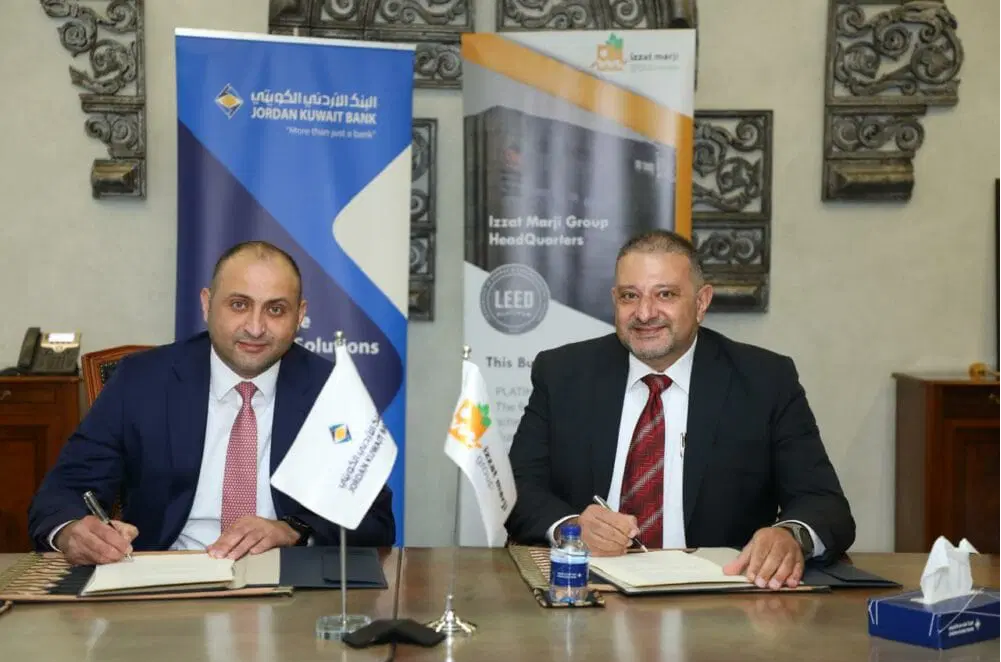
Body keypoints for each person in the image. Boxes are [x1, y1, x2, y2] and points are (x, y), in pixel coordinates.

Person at [505, 230, 855, 590]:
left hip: (719, 597)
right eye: (630, 296)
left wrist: (790, 536)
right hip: (588, 588)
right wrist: (571, 527)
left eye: (665, 295)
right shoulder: (563, 374)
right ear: (614, 300)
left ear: (702, 302)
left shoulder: (765, 381)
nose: (644, 313)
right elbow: (516, 488)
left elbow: (823, 503)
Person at [28, 241, 395, 565]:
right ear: (207, 304)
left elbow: (374, 520)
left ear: (299, 316)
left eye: (275, 310)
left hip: (290, 581)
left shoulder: (330, 389)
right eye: (239, 305)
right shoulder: (141, 381)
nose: (255, 327)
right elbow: (63, 491)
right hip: (166, 579)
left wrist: (293, 529)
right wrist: (73, 531)